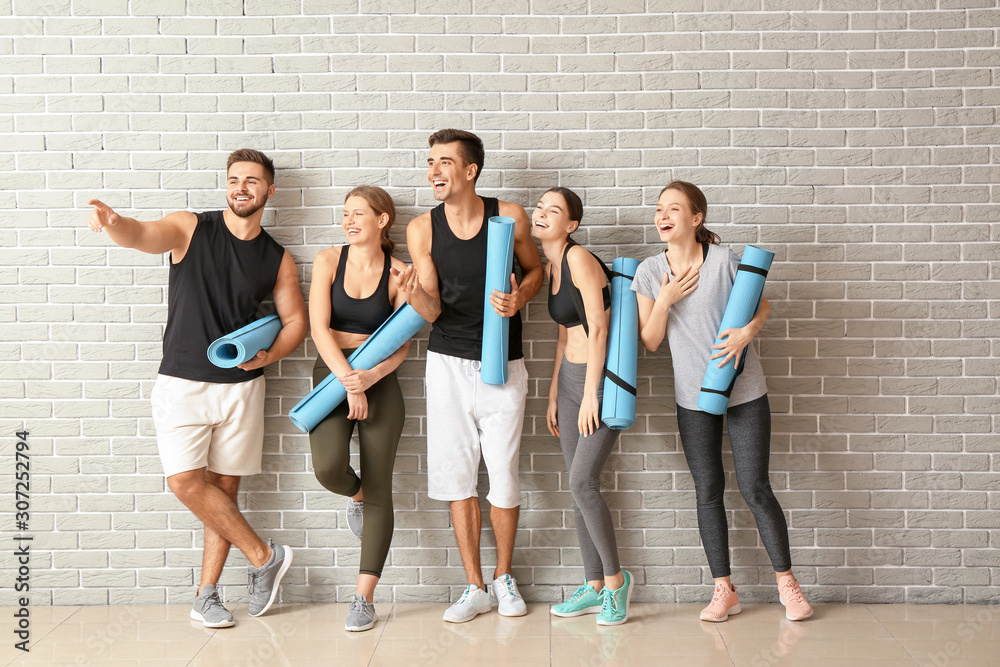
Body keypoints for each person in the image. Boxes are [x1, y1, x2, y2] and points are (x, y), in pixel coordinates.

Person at [85, 149, 307, 628]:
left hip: (242, 389)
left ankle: (206, 596)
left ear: (270, 190)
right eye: (234, 180)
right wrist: (115, 222)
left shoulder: (277, 257)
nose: (241, 187)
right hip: (181, 382)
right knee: (185, 483)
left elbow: (295, 323)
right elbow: (143, 235)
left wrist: (268, 355)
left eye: (252, 181)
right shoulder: (191, 227)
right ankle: (264, 555)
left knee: (224, 491)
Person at [632, 181, 812, 623]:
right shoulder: (650, 272)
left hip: (746, 389)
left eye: (674, 209)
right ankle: (723, 590)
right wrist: (667, 299)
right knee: (708, 490)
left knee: (755, 486)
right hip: (692, 397)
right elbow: (650, 340)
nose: (663, 216)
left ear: (696, 219)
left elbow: (761, 306)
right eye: (659, 209)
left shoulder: (725, 261)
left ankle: (787, 583)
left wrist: (750, 331)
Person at [394, 129, 543, 623]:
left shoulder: (510, 215)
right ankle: (474, 586)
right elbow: (433, 310)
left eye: (444, 162)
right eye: (430, 162)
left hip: (505, 362)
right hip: (448, 364)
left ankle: (504, 579)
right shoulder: (422, 229)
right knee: (458, 477)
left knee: (503, 473)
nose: (434, 171)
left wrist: (519, 297)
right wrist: (413, 293)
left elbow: (535, 270)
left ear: (470, 170)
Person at [307, 186, 410, 632]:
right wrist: (350, 380)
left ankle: (363, 598)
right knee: (328, 468)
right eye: (344, 214)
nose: (348, 221)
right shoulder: (328, 260)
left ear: (382, 220)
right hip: (331, 377)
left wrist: (368, 377)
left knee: (382, 487)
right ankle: (357, 495)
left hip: (380, 383)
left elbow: (403, 343)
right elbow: (320, 329)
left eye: (358, 214)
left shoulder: (400, 274)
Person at [533, 187, 633, 626]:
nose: (541, 214)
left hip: (601, 382)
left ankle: (616, 584)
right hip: (571, 382)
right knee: (578, 490)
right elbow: (563, 332)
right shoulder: (552, 266)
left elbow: (598, 328)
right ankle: (593, 585)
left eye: (552, 210)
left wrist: (591, 393)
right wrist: (557, 390)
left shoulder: (578, 259)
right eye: (539, 207)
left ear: (571, 224)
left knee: (582, 483)